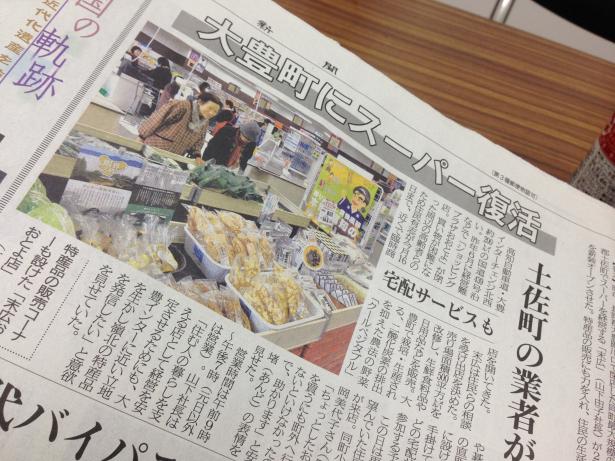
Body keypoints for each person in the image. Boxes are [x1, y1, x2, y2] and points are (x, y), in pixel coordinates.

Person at [138, 92, 222, 157]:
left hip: (174, 156)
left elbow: (200, 140)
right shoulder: (182, 106)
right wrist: (141, 136)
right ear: (200, 102)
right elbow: (158, 119)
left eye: (215, 111)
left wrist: (197, 154)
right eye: (210, 108)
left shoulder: (205, 122)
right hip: (155, 147)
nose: (211, 113)